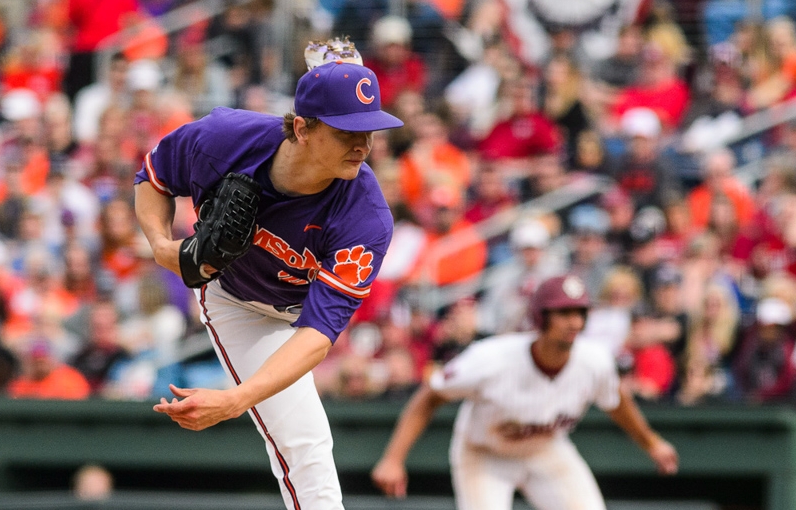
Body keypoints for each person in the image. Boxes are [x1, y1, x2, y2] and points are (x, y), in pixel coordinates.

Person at [133, 42, 403, 510]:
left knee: (309, 445)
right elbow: (154, 177)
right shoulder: (224, 140)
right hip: (236, 300)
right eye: (347, 132)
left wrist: (237, 399)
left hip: (301, 315)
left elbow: (317, 335)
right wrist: (161, 247)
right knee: (307, 445)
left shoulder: (366, 216)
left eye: (371, 130)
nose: (363, 145)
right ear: (302, 127)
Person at [371, 274, 679, 509]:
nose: (573, 321)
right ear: (540, 316)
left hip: (545, 449)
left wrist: (651, 443)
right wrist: (393, 458)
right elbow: (431, 395)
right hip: (484, 454)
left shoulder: (594, 360)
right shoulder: (490, 358)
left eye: (579, 312)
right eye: (563, 312)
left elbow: (616, 402)